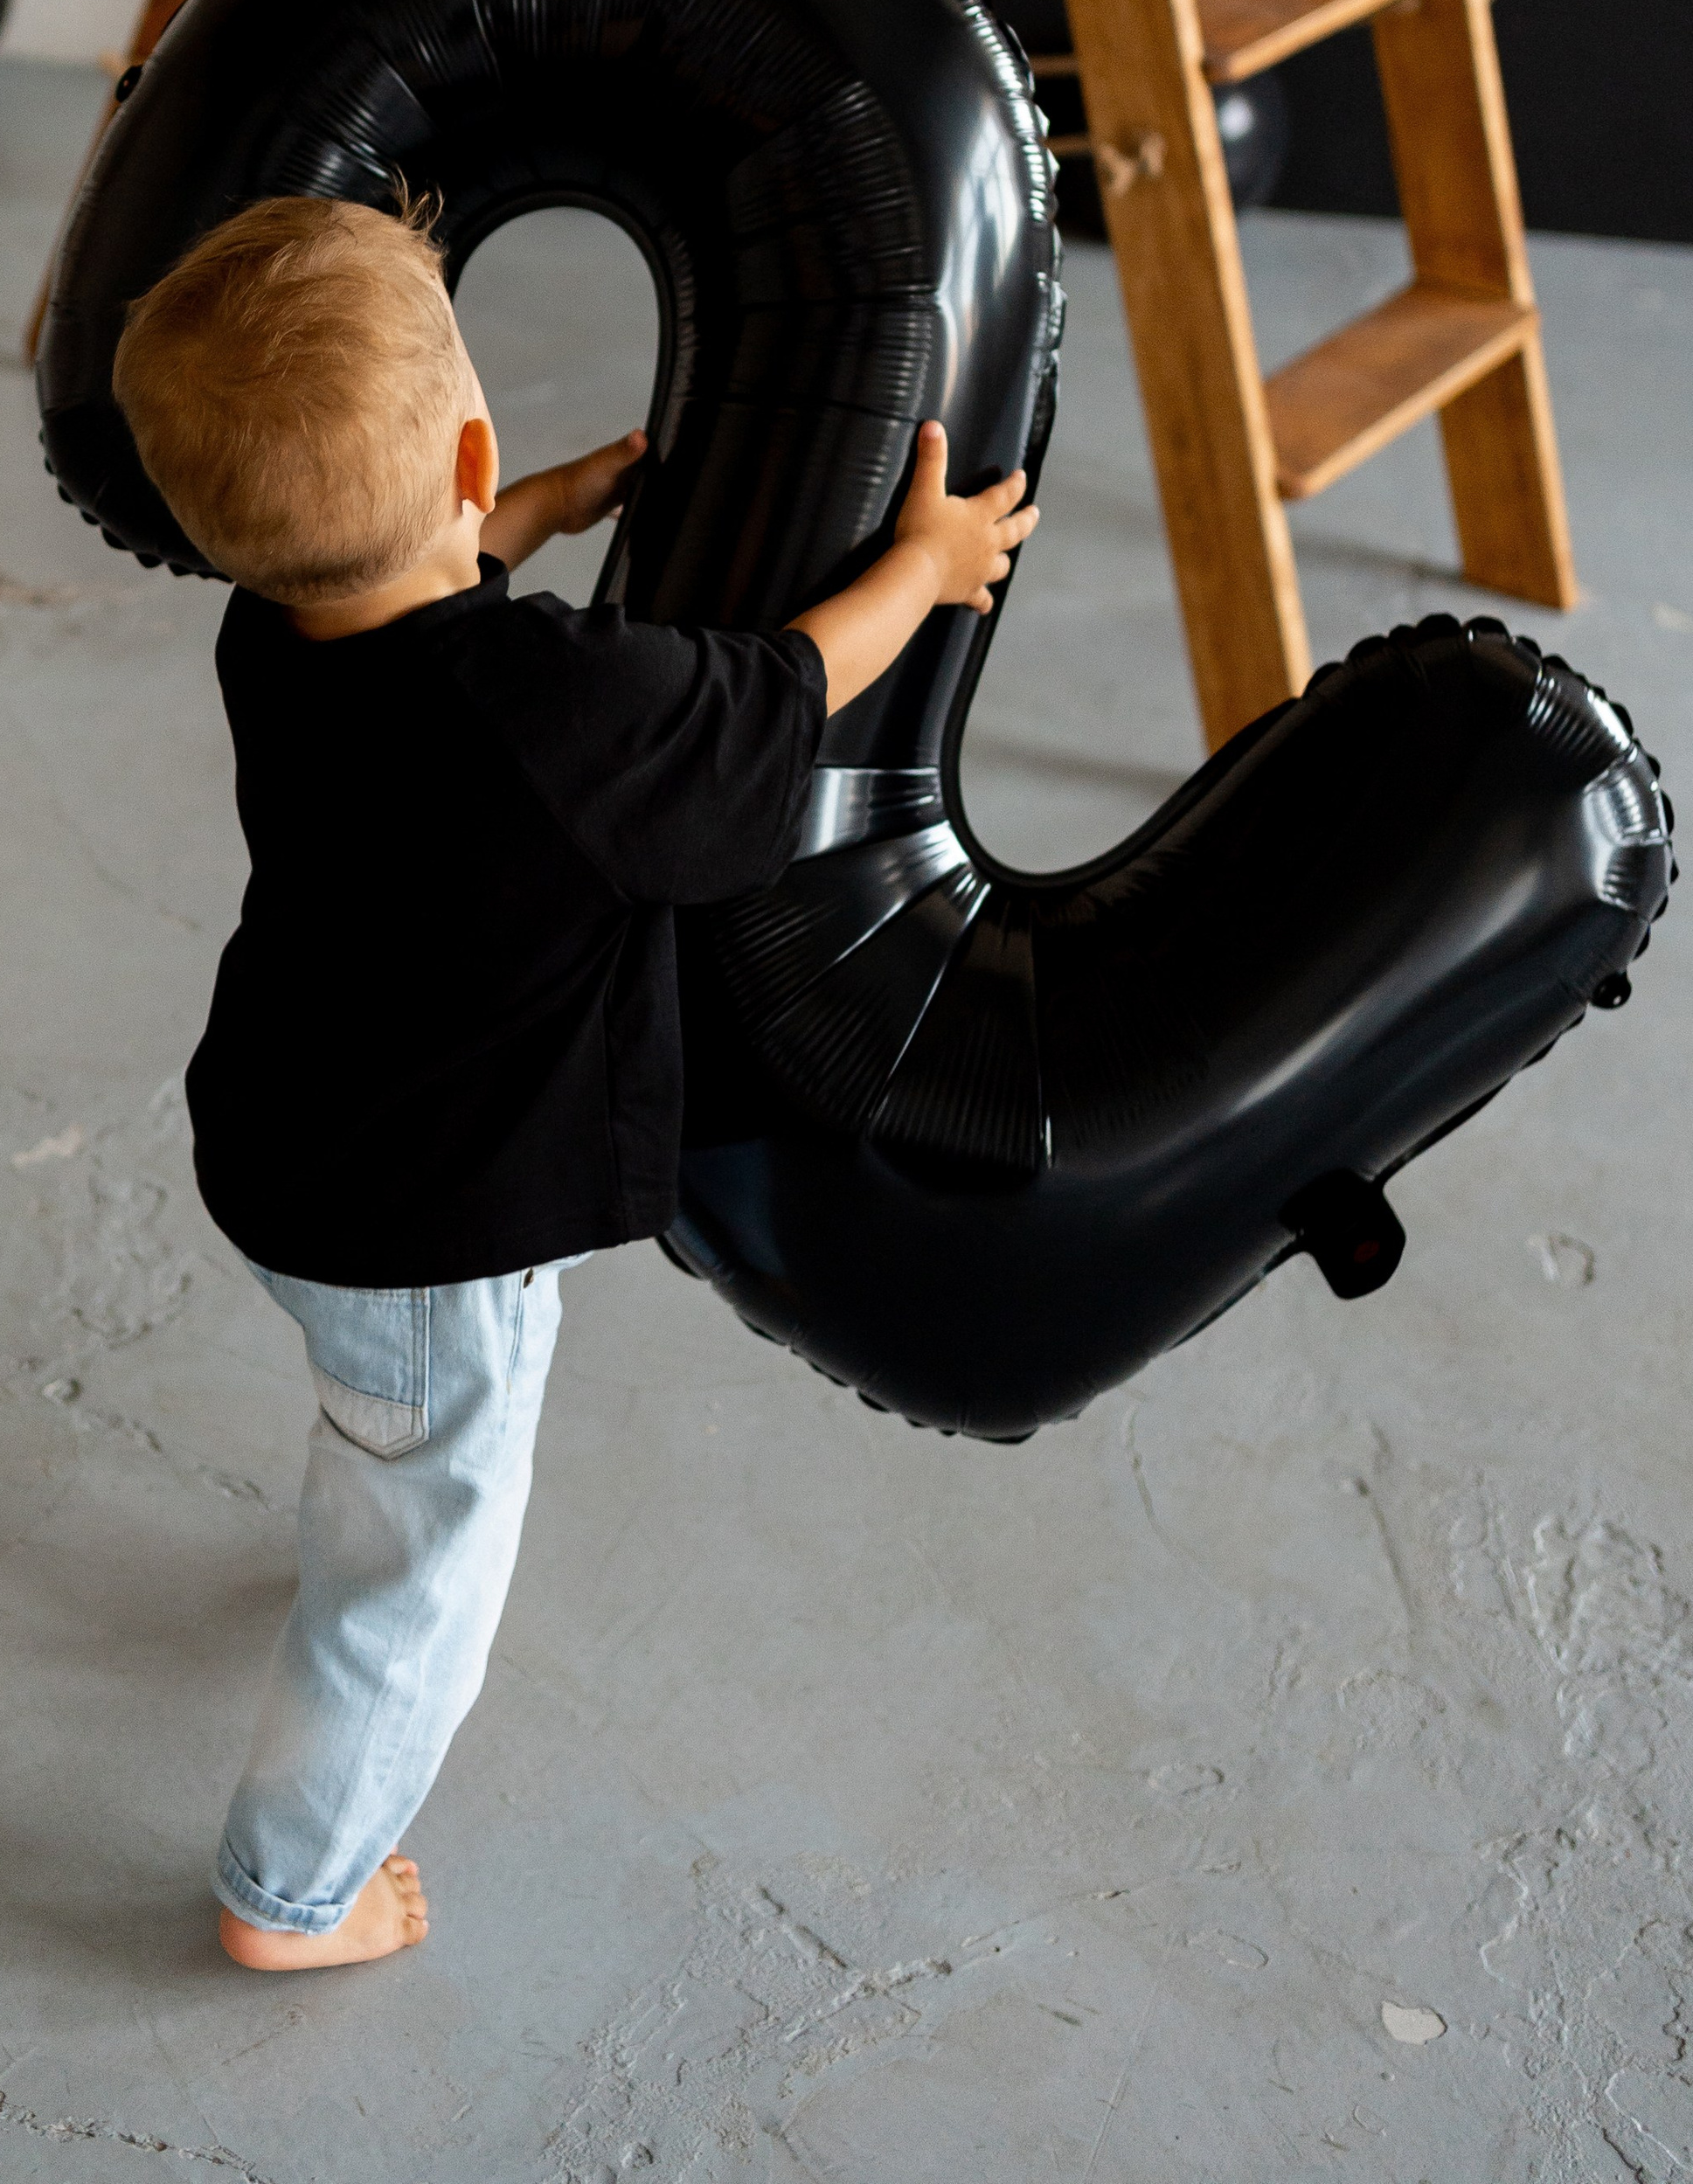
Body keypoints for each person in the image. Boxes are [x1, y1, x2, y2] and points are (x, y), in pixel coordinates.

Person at [110, 193, 1039, 1973]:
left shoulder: (266, 624)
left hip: (290, 1141)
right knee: (430, 1572)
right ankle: (291, 1894)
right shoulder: (565, 707)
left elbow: (407, 594)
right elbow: (776, 696)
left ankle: (353, 1509)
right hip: (429, 1226)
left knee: (380, 1421)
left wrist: (528, 510)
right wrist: (921, 572)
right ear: (469, 451)